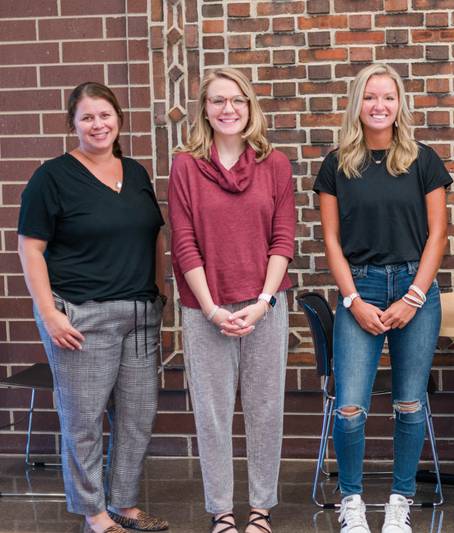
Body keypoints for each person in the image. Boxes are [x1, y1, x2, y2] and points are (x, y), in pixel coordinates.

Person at [17, 82, 168, 533]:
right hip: (80, 316)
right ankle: (94, 514)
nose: (97, 125)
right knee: (83, 422)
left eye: (105, 115)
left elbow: (155, 236)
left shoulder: (136, 173)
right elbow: (30, 249)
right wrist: (49, 314)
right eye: (87, 117)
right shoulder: (52, 177)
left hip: (140, 315)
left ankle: (123, 503)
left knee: (138, 417)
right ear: (73, 125)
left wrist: (159, 295)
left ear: (119, 119)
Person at [313, 63, 451, 533]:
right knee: (350, 406)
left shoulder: (422, 159)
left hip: (415, 290)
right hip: (360, 289)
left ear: (399, 104)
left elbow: (438, 235)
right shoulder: (337, 164)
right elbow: (330, 241)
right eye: (370, 96)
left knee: (409, 402)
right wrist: (352, 300)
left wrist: (414, 296)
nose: (379, 105)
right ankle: (351, 501)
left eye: (387, 97)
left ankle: (400, 501)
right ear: (358, 103)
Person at [168, 67, 295, 533]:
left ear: (250, 107)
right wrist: (211, 309)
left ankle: (261, 508)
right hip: (206, 309)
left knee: (264, 410)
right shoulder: (186, 165)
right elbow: (184, 242)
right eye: (219, 101)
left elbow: (283, 239)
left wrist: (262, 302)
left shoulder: (274, 164)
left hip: (264, 305)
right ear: (204, 109)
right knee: (214, 414)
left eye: (238, 100)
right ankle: (221, 511)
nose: (229, 109)